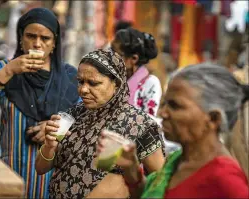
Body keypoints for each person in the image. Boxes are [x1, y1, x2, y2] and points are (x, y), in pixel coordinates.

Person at [0, 8, 80, 198]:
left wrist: (56, 129)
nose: (37, 43)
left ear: (54, 43)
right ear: (21, 38)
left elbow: (84, 119)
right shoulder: (5, 68)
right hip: (10, 176)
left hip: (51, 183)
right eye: (30, 36)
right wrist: (7, 73)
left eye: (45, 38)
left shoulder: (70, 77)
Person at [97, 63, 249, 198]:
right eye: (164, 104)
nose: (162, 113)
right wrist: (132, 170)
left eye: (175, 106)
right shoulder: (177, 159)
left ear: (213, 119)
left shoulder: (226, 179)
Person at [35, 48, 165, 198]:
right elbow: (40, 169)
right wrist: (49, 146)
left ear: (116, 83)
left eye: (93, 83)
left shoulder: (140, 124)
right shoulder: (73, 115)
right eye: (80, 81)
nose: (83, 89)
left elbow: (160, 182)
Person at [111, 28, 162, 117]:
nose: (110, 57)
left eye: (116, 54)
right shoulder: (112, 78)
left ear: (134, 58)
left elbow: (148, 122)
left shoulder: (150, 83)